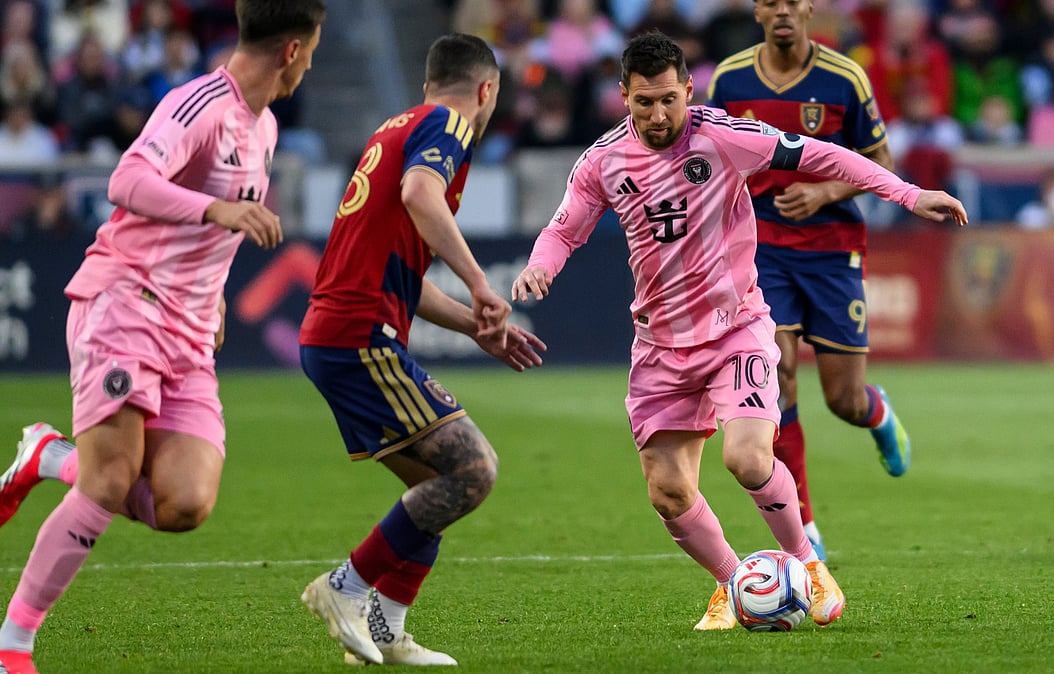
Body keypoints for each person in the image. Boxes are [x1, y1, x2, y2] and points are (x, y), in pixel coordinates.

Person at [512, 31, 966, 632]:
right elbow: (563, 229)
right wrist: (540, 268)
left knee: (748, 458)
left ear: (688, 89)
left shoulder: (725, 136)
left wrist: (908, 195)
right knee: (667, 491)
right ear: (623, 96)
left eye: (668, 99)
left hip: (736, 332)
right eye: (644, 102)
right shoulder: (602, 161)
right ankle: (735, 584)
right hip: (659, 346)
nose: (658, 114)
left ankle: (808, 564)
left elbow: (823, 156)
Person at [0, 2, 325, 672]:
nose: (311, 67)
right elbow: (127, 181)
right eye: (313, 52)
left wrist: (215, 295)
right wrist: (216, 208)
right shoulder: (197, 103)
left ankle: (50, 456)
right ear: (292, 50)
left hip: (189, 332)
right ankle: (13, 646)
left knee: (185, 504)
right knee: (110, 480)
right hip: (126, 302)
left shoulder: (264, 127)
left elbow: (212, 235)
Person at [297, 33, 546, 667]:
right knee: (473, 470)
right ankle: (345, 587)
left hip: (339, 333)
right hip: (359, 335)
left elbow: (401, 271)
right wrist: (480, 282)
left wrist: (472, 325)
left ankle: (387, 630)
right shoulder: (447, 125)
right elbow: (419, 194)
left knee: (438, 485)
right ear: (486, 90)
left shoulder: (396, 128)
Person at [707, 0, 911, 562]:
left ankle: (877, 412)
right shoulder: (730, 80)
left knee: (843, 399)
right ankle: (806, 523)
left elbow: (881, 160)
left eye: (791, 2)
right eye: (771, 2)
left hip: (831, 249)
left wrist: (824, 191)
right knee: (778, 376)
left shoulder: (844, 78)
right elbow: (710, 158)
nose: (782, 12)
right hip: (762, 249)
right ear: (757, 11)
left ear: (808, 9)